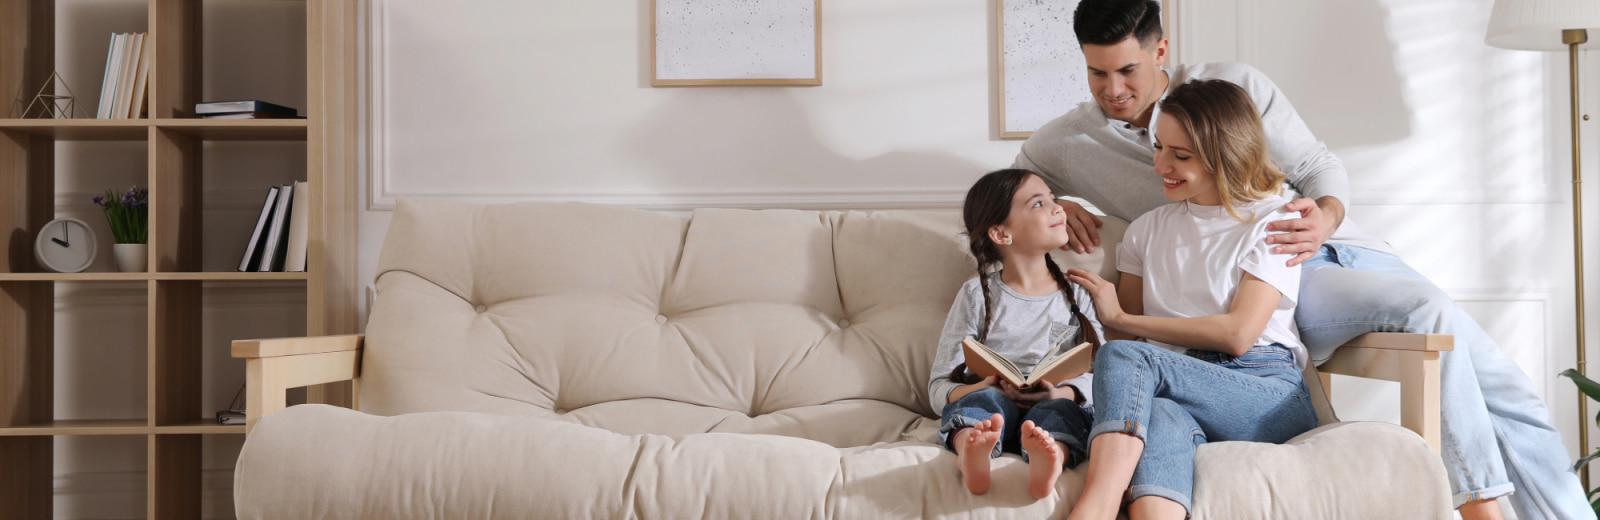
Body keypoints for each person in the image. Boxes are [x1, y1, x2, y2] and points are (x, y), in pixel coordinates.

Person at [1015, 1, 1590, 517]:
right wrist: (1056, 199)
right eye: (1097, 73)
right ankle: (1483, 504)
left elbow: (1317, 168)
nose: (1113, 88)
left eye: (1127, 70)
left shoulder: (1228, 88)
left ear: (1160, 50)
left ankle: (1503, 505)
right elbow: (1012, 181)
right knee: (1427, 312)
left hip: (1318, 246)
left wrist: (1327, 216)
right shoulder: (1072, 141)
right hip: (1271, 277)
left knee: (1504, 386)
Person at [1060, 79, 1317, 519]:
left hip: (1262, 390)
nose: (1161, 166)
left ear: (1226, 154)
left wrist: (1125, 322)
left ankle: (1096, 506)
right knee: (1157, 416)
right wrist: (1099, 312)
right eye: (1159, 148)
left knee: (1129, 360)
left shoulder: (1275, 221)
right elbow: (1125, 337)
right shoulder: (1146, 230)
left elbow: (1238, 334)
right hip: (1177, 389)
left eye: (1181, 156)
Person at [928, 168, 1107, 499]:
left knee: (1061, 415)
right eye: (1039, 203)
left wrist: (1062, 394)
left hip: (1053, 404)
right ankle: (973, 448)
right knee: (984, 401)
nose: (1058, 209)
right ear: (1001, 234)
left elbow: (1105, 379)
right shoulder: (975, 295)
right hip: (993, 407)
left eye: (1054, 199)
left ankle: (1051, 459)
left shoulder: (1077, 293)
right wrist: (979, 386)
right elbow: (939, 387)